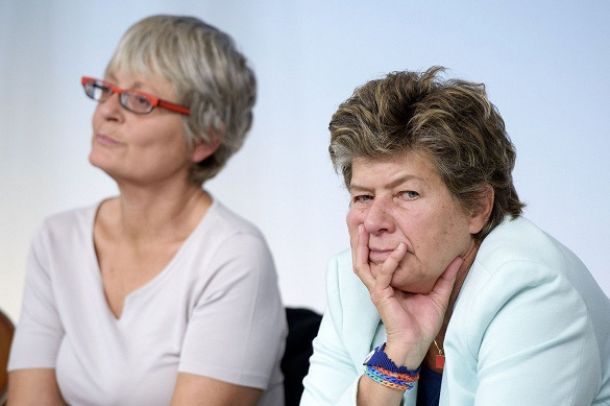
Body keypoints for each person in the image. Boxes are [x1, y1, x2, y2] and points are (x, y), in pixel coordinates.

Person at [8, 15, 287, 405]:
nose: (107, 110)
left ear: (205, 138)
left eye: (139, 100)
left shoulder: (235, 256)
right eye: (107, 89)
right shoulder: (57, 239)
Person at [301, 67, 610, 405]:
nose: (374, 222)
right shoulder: (353, 284)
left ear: (476, 206)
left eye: (407, 194)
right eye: (363, 197)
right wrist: (396, 357)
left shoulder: (533, 289)